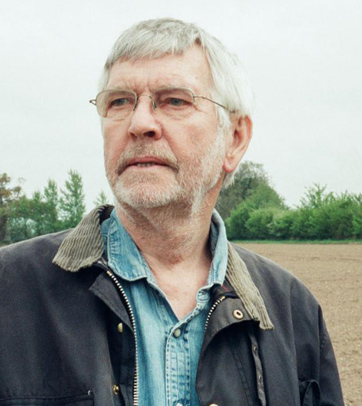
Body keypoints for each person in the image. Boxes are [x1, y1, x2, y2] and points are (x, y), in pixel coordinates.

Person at [0, 18, 343, 406]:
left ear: (234, 138)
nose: (139, 123)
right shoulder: (9, 290)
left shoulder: (294, 312)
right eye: (119, 102)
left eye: (174, 100)